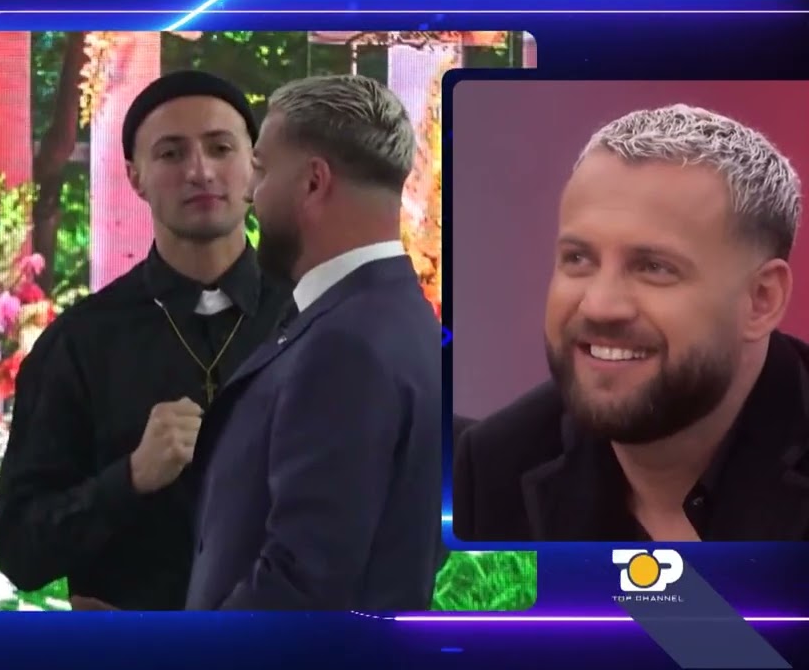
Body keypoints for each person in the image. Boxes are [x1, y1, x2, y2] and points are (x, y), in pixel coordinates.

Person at [0, 70, 291, 611]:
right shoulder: (80, 342)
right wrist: (129, 479)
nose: (200, 171)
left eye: (220, 148)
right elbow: (20, 551)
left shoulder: (310, 316)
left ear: (254, 166)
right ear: (136, 178)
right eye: (171, 154)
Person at [453, 104, 809, 543]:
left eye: (654, 267)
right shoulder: (495, 465)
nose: (600, 306)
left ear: (761, 300)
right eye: (578, 258)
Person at [184, 75, 443, 610]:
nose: (249, 193)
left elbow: (300, 583)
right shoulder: (401, 318)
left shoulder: (346, 346)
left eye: (261, 169)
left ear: (312, 182)